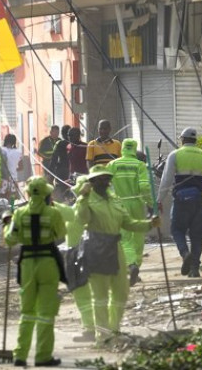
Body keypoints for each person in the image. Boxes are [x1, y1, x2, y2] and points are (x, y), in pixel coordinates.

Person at [74, 165, 160, 344]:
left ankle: (114, 330)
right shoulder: (87, 200)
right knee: (100, 296)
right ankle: (102, 336)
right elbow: (82, 219)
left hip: (115, 247)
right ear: (92, 181)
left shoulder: (115, 200)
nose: (104, 181)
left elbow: (129, 223)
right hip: (95, 248)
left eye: (106, 178)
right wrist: (82, 197)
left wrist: (149, 224)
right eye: (100, 179)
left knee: (121, 291)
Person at [3, 176, 66, 367]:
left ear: (29, 194)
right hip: (48, 263)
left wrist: (6, 223)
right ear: (47, 194)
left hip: (28, 265)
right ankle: (43, 357)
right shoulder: (53, 213)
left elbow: (9, 240)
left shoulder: (19, 213)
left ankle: (20, 355)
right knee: (46, 313)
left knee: (27, 312)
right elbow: (61, 234)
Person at [157, 127, 202, 279]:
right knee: (196, 235)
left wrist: (159, 199)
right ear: (195, 140)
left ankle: (185, 253)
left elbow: (166, 180)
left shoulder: (175, 155)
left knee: (177, 230)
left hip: (181, 200)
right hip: (199, 201)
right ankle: (194, 269)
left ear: (182, 139)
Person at [106, 139, 152, 286]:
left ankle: (131, 265)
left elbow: (105, 185)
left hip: (119, 204)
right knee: (138, 237)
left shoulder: (112, 165)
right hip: (137, 203)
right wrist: (151, 203)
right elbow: (144, 187)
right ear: (134, 149)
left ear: (122, 148)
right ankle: (136, 266)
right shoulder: (140, 165)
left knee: (124, 238)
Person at [55, 175, 95, 342]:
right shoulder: (96, 204)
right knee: (95, 293)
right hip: (91, 254)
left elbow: (69, 215)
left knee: (83, 294)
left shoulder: (82, 206)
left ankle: (92, 329)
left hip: (81, 256)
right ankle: (100, 328)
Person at [46, 125, 71, 201]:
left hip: (61, 171)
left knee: (60, 191)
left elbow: (54, 159)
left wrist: (50, 173)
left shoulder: (59, 143)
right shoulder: (75, 144)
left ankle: (61, 203)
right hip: (73, 171)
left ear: (62, 134)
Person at [1, 134, 24, 199]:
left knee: (2, 198)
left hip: (3, 178)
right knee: (12, 198)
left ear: (5, 141)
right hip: (14, 179)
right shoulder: (18, 152)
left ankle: (4, 206)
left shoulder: (1, 150)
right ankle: (11, 206)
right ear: (14, 142)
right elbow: (21, 167)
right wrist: (13, 169)